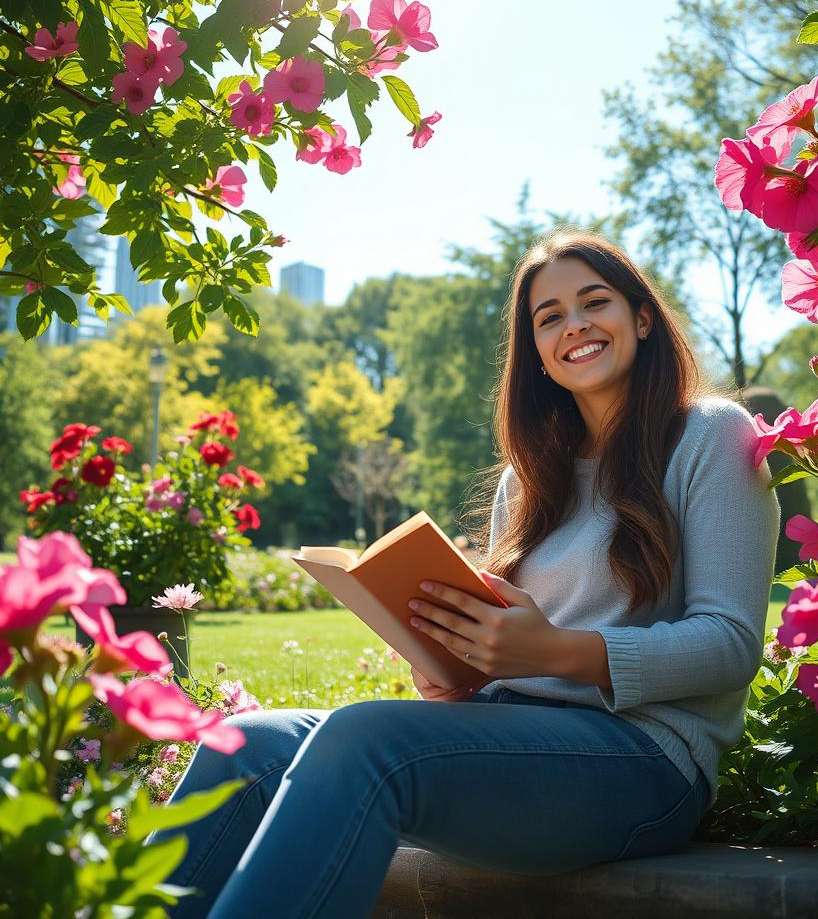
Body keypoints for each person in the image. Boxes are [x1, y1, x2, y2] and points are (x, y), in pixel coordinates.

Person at [147, 227, 781, 918]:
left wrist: (562, 653)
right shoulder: (529, 479)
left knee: (366, 739)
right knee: (245, 744)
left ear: (643, 318)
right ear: (536, 353)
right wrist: (459, 665)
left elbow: (729, 644)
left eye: (593, 302)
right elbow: (512, 654)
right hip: (512, 735)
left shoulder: (711, 435)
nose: (575, 326)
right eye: (550, 318)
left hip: (644, 763)